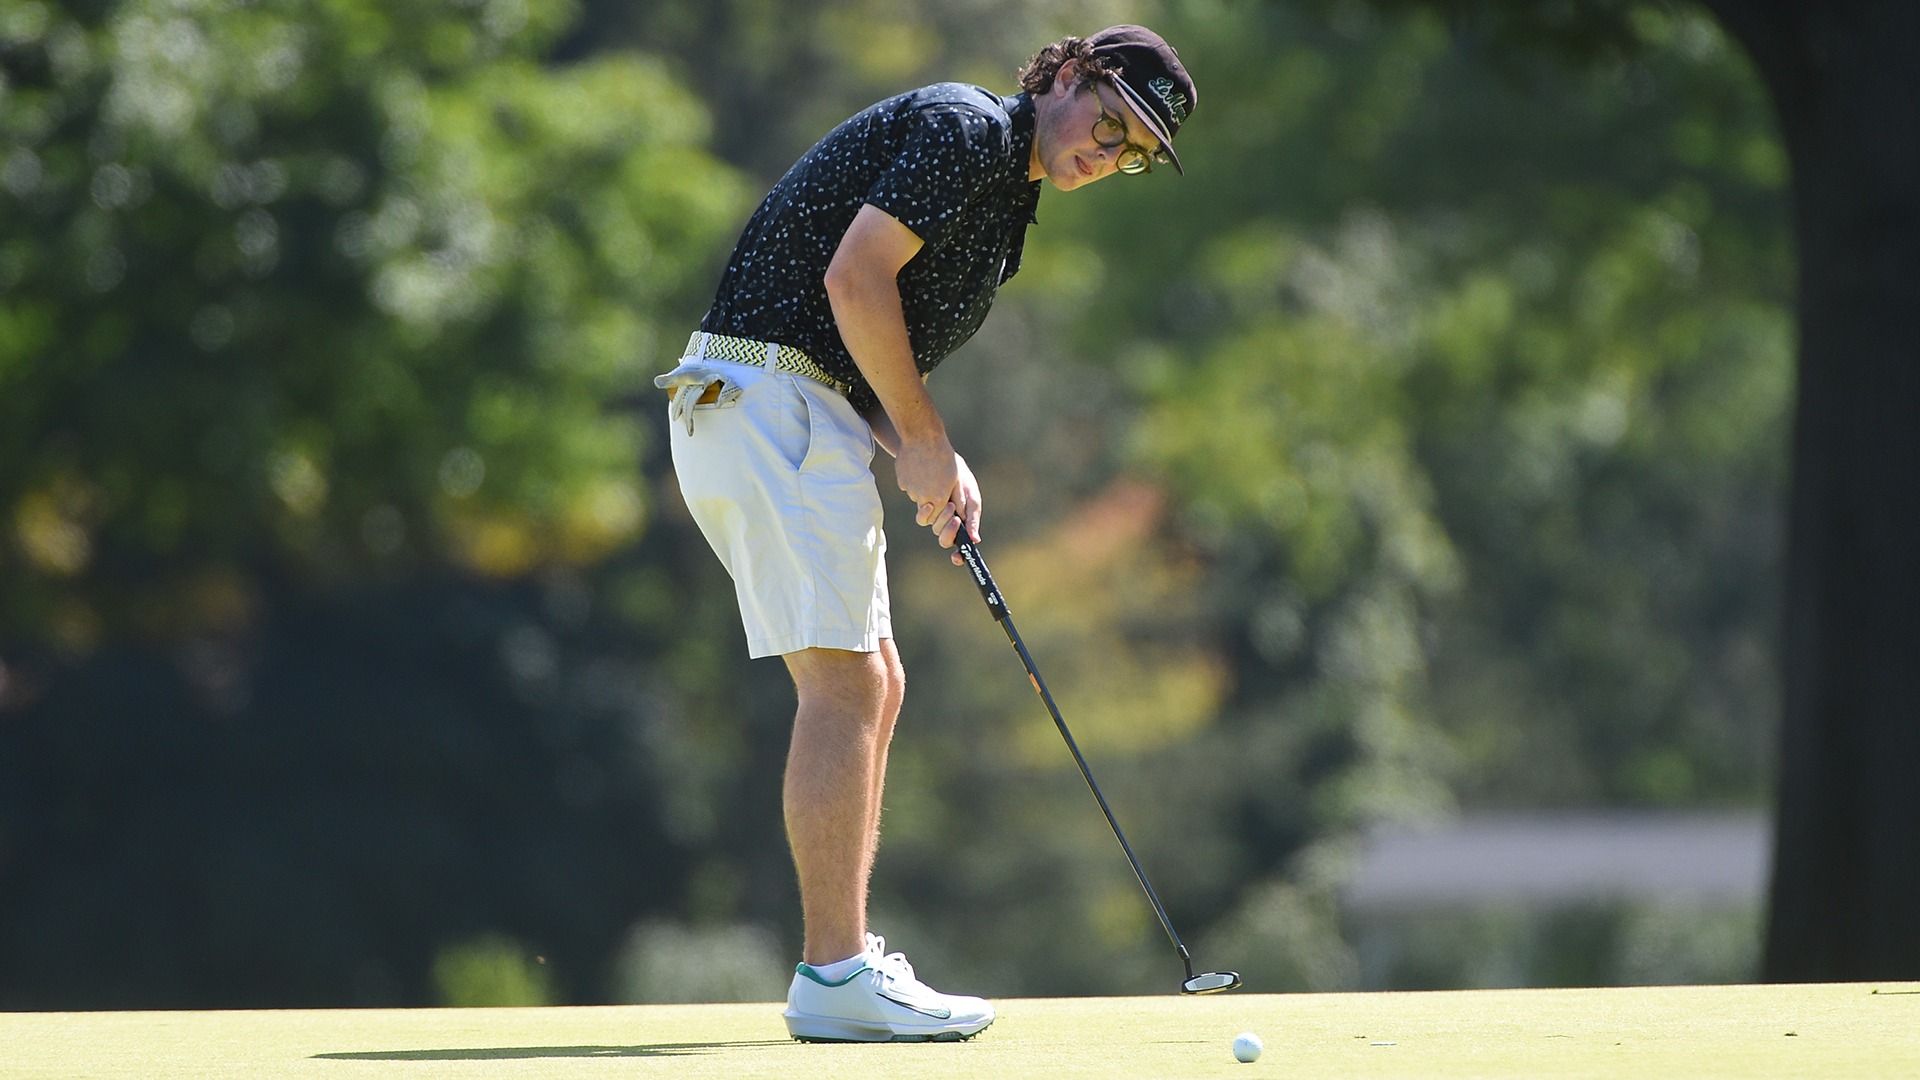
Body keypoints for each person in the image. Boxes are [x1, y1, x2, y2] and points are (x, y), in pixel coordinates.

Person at [655, 25, 1196, 1043]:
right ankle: (834, 974)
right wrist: (924, 435)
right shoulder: (964, 128)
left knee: (875, 680)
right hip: (764, 398)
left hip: (787, 405)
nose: (1107, 153)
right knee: (846, 684)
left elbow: (858, 348)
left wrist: (928, 453)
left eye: (1130, 153)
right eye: (1109, 122)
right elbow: (852, 284)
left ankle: (844, 959)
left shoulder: (1008, 203)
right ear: (1068, 76)